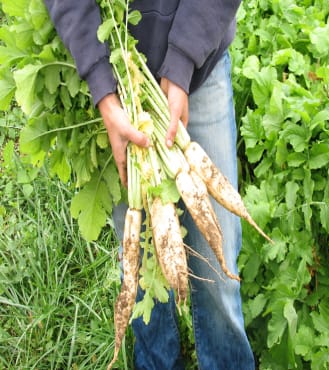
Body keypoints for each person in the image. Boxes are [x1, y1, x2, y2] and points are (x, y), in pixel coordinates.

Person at [44, 1, 255, 369]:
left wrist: (184, 59)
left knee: (219, 275)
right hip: (116, 92)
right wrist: (103, 89)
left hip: (200, 63)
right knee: (139, 272)